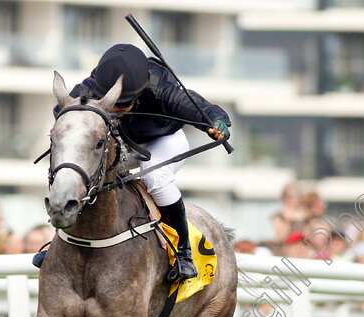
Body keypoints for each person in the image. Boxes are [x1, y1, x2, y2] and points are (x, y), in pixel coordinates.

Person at [52, 43, 231, 282]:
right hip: (122, 142)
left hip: (163, 140)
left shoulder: (162, 91)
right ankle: (60, 244)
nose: (114, 110)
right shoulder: (92, 87)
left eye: (121, 105)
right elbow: (63, 112)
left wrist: (217, 122)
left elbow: (203, 109)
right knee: (82, 172)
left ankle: (183, 252)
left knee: (153, 177)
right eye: (110, 104)